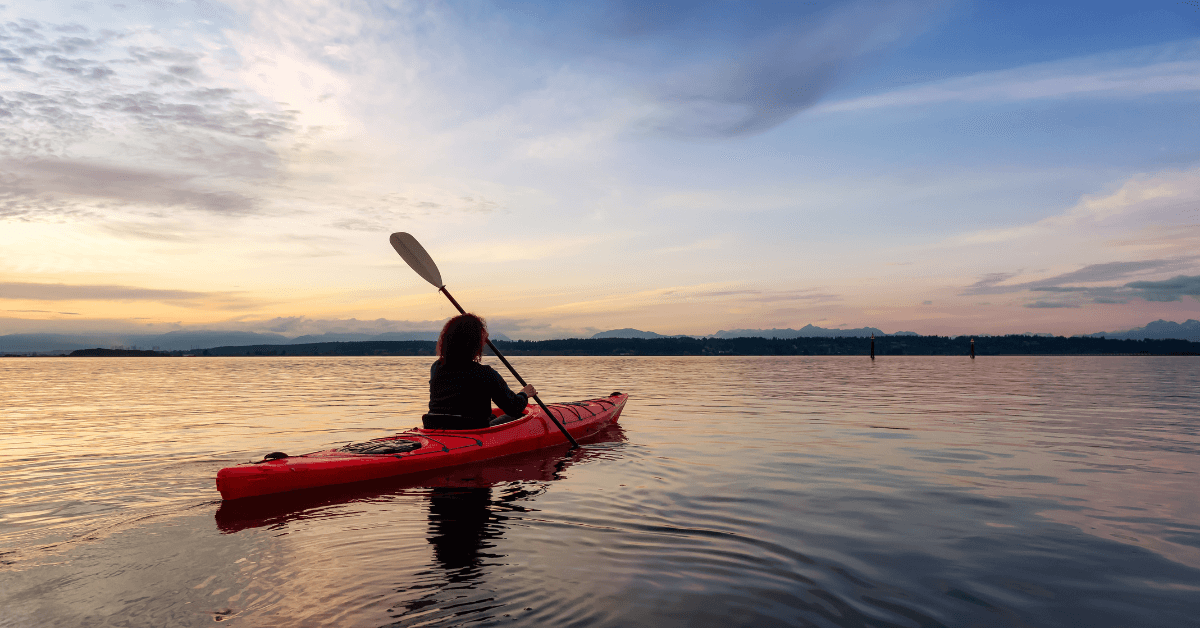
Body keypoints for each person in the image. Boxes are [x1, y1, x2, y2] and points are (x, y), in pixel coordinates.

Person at [425, 313, 536, 429]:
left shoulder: (436, 367)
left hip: (435, 427)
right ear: (474, 344)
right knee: (518, 416)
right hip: (472, 430)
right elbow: (513, 408)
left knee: (492, 416)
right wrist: (524, 394)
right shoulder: (485, 373)